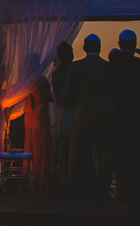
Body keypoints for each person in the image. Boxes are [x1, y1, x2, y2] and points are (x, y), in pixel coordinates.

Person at [107, 29, 140, 215]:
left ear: (119, 43)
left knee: (123, 160)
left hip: (118, 121)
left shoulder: (110, 67)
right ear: (134, 44)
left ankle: (126, 196)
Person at [59, 33, 115, 200]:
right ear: (99, 47)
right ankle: (103, 189)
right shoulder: (108, 67)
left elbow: (68, 92)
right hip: (106, 117)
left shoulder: (77, 67)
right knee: (105, 155)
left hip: (84, 117)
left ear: (84, 47)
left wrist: (62, 100)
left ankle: (76, 189)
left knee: (76, 154)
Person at [23, 60, 55, 196]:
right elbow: (50, 98)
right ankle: (42, 183)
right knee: (42, 152)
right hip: (41, 119)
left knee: (31, 149)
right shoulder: (42, 81)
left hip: (30, 119)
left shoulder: (26, 83)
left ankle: (31, 183)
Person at [50, 41, 74, 195]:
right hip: (72, 113)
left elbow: (58, 98)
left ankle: (64, 185)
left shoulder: (56, 73)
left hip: (62, 113)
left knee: (63, 151)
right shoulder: (74, 70)